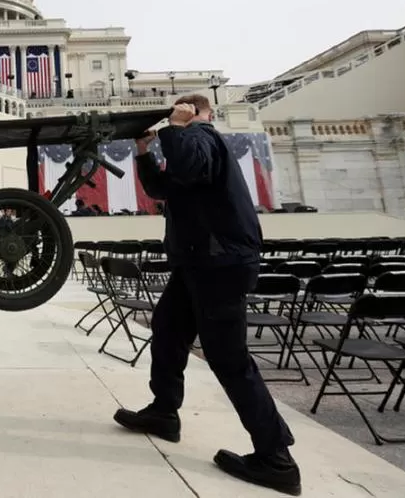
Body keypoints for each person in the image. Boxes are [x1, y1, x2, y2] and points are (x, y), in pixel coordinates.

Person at [113, 95, 300, 496]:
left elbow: (189, 163)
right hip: (198, 262)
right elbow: (163, 186)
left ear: (198, 112)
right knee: (167, 331)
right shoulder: (193, 145)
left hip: (219, 264)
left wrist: (179, 126)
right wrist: (145, 150)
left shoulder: (203, 136)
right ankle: (164, 412)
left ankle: (276, 457)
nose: (174, 114)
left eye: (182, 109)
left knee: (229, 359)